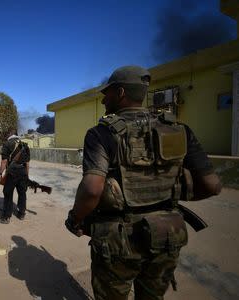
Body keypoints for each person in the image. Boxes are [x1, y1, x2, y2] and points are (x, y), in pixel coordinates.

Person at [65, 65, 222, 300]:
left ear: (120, 94)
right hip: (166, 235)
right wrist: (171, 197)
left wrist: (75, 219)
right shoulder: (179, 130)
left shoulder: (101, 134)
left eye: (107, 92)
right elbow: (212, 185)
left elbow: (92, 189)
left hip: (117, 242)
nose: (103, 98)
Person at [0, 130, 30, 224]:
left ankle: (6, 217)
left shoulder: (7, 144)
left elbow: (4, 162)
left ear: (9, 134)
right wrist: (27, 175)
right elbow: (27, 163)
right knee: (22, 192)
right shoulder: (25, 144)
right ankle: (21, 213)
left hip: (12, 172)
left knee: (7, 193)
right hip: (23, 171)